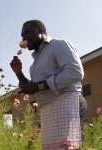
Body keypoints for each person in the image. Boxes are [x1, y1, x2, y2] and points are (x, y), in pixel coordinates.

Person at [10, 20, 87, 149]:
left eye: (27, 32)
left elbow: (75, 72)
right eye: (22, 35)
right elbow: (35, 94)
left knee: (68, 147)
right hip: (48, 110)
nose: (24, 38)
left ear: (41, 30)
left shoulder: (58, 45)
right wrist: (18, 73)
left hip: (67, 102)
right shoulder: (34, 66)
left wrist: (40, 85)